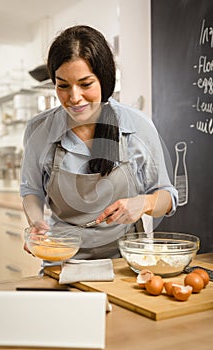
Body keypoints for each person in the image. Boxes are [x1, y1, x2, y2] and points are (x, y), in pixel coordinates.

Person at [20, 25, 178, 265]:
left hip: (126, 263)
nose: (74, 97)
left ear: (104, 80)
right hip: (61, 261)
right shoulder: (38, 130)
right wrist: (36, 222)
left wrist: (143, 204)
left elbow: (167, 197)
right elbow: (32, 190)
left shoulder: (137, 127)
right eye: (63, 85)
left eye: (85, 84)